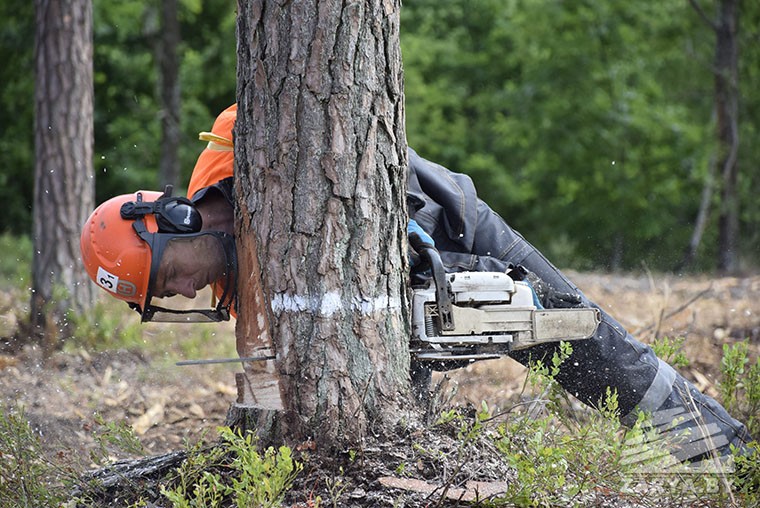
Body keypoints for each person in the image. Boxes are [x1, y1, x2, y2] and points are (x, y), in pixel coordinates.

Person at [80, 104, 754, 465]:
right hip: (404, 294)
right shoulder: (235, 284)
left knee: (576, 334)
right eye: (170, 297)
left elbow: (281, 107)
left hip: (448, 222)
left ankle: (720, 447)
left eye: (173, 275)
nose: (191, 291)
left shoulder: (241, 149)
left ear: (174, 218)